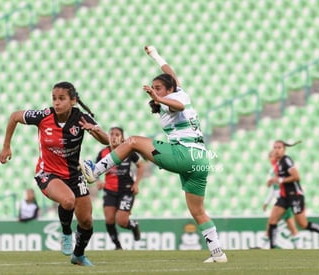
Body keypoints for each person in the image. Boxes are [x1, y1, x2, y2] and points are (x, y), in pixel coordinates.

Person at [80, 46, 227, 263]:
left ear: (169, 89)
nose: (155, 90)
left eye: (159, 87)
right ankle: (218, 253)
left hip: (184, 154)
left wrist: (158, 98)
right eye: (154, 88)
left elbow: (176, 106)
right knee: (198, 211)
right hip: (200, 160)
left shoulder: (175, 101)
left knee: (133, 141)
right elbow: (170, 73)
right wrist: (154, 54)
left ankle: (96, 170)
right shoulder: (179, 91)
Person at [0, 81, 109, 266]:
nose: (56, 103)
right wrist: (6, 146)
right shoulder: (44, 115)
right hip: (48, 173)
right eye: (54, 98)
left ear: (73, 101)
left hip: (74, 175)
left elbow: (105, 140)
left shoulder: (81, 118)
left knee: (87, 222)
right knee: (67, 200)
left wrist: (94, 130)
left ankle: (78, 255)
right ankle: (66, 232)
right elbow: (14, 116)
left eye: (62, 99)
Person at [267, 140, 319, 249]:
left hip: (295, 195)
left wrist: (279, 180)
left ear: (284, 149)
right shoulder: (278, 162)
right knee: (272, 220)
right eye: (275, 147)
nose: (276, 150)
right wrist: (273, 180)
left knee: (303, 224)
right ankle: (272, 248)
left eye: (279, 147)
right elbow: (279, 177)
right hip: (284, 197)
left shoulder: (286, 160)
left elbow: (296, 177)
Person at [95, 126, 144, 250]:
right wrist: (98, 181)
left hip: (126, 190)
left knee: (121, 221)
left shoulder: (129, 151)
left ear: (122, 138)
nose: (114, 137)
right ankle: (118, 247)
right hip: (109, 191)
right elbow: (95, 171)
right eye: (112, 134)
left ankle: (133, 225)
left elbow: (141, 165)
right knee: (109, 220)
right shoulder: (103, 153)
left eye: (117, 134)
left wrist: (136, 184)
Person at [261, 150, 299, 249]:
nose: (271, 159)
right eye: (270, 157)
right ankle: (298, 247)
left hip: (284, 200)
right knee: (291, 226)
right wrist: (266, 202)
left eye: (273, 157)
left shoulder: (282, 168)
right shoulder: (273, 171)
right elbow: (274, 189)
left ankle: (263, 245)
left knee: (271, 223)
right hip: (281, 200)